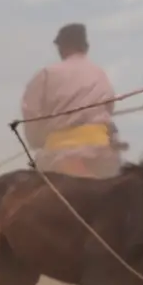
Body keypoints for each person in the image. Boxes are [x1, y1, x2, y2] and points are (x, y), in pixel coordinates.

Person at [20, 23, 122, 177]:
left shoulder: (47, 74)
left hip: (61, 155)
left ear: (61, 48)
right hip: (103, 155)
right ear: (86, 47)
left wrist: (38, 142)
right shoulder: (100, 74)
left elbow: (32, 114)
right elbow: (108, 109)